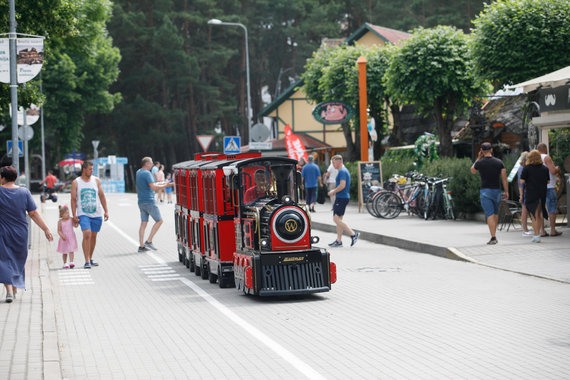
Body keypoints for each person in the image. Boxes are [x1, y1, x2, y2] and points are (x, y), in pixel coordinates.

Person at [1, 166, 53, 303]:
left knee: (5, 260)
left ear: (3, 178)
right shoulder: (24, 192)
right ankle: (12, 288)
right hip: (21, 233)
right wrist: (46, 229)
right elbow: (33, 213)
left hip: (3, 232)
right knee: (17, 259)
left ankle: (10, 289)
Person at [71, 161, 109, 269]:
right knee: (87, 234)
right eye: (90, 169)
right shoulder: (76, 182)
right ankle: (86, 260)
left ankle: (90, 257)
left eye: (92, 169)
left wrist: (106, 210)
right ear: (84, 169)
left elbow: (102, 196)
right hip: (83, 214)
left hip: (96, 213)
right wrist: (74, 215)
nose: (92, 171)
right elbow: (73, 200)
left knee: (93, 236)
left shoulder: (96, 180)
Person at [470, 142, 508, 245]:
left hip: (485, 191)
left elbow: (472, 170)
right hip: (497, 191)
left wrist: (478, 158)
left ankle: (493, 237)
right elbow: (504, 179)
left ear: (482, 151)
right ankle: (494, 234)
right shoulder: (499, 162)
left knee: (490, 214)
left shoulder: (480, 163)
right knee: (495, 214)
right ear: (491, 150)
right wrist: (506, 191)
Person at [136, 157, 173, 252]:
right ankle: (149, 241)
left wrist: (162, 183)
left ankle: (141, 246)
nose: (152, 165)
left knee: (143, 223)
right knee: (159, 221)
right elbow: (153, 187)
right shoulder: (147, 173)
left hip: (141, 201)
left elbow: (152, 183)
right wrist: (166, 185)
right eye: (151, 163)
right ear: (147, 164)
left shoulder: (138, 172)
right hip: (149, 201)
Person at [327, 155, 359, 247]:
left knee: (335, 219)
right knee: (339, 220)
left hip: (341, 197)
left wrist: (333, 191)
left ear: (339, 162)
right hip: (342, 197)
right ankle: (339, 241)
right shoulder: (343, 171)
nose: (332, 165)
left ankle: (353, 234)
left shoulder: (342, 172)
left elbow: (342, 185)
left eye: (333, 163)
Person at [520, 150, 550, 243]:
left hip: (531, 194)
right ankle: (539, 233)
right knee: (540, 213)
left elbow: (521, 181)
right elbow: (548, 181)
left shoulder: (527, 168)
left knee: (534, 214)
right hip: (542, 194)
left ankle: (536, 235)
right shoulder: (545, 168)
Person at [537, 143, 562, 237]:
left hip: (538, 187)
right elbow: (552, 171)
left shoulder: (534, 158)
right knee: (552, 208)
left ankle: (542, 231)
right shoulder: (546, 158)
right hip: (549, 186)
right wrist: (557, 168)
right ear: (545, 149)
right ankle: (552, 230)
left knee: (540, 209)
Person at [516, 152, 533, 236]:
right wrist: (521, 195)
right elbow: (520, 184)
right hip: (525, 192)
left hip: (527, 191)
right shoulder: (522, 168)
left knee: (526, 211)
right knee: (525, 211)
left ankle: (526, 229)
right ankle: (525, 230)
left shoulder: (523, 168)